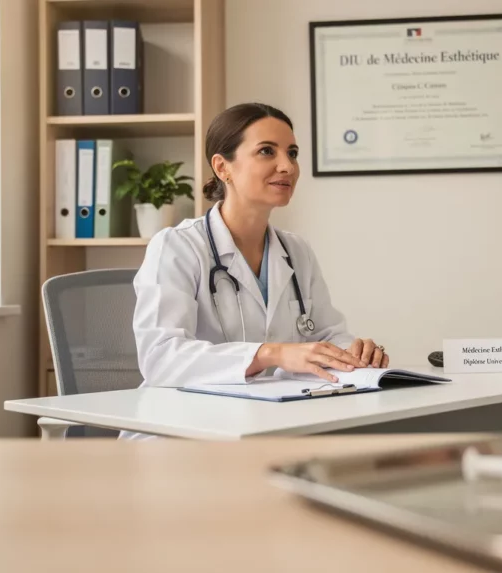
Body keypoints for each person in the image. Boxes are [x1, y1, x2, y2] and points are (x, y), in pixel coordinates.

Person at [131, 102, 389, 392]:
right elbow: (160, 359)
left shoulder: (296, 251)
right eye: (267, 151)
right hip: (181, 423)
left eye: (292, 153)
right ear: (222, 167)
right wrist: (271, 353)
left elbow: (328, 334)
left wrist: (354, 352)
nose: (287, 166)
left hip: (267, 415)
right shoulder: (177, 246)